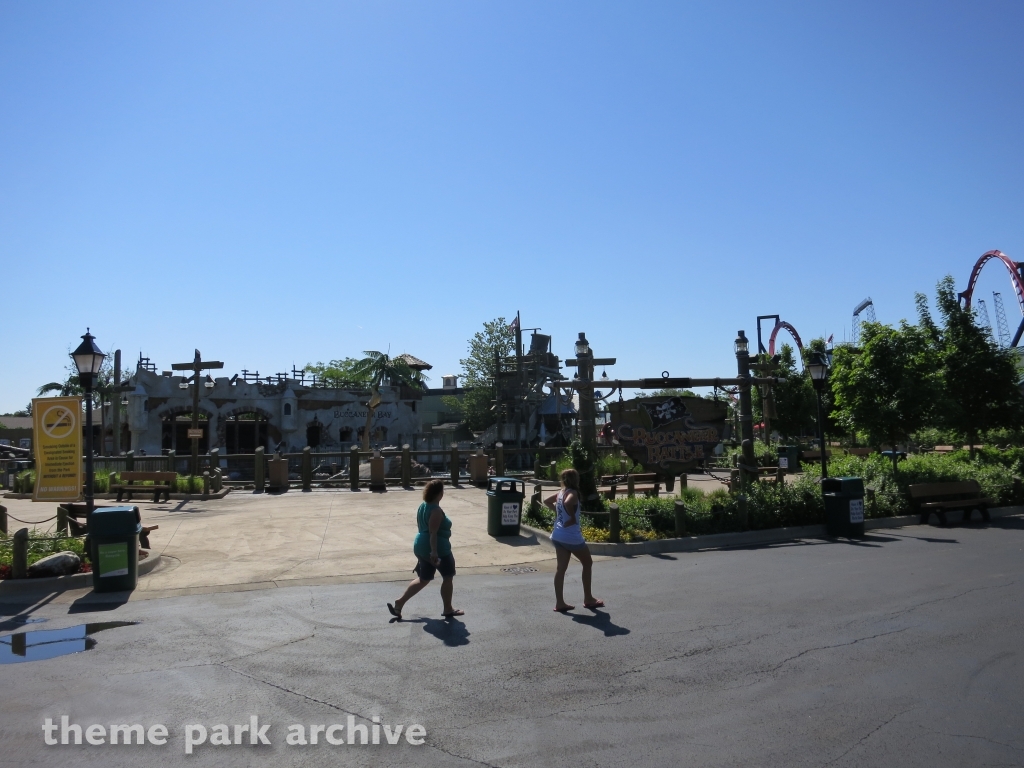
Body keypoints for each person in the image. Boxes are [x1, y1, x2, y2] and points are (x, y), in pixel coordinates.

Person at [388, 479, 463, 619]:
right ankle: (448, 608)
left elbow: (422, 528)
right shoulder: (435, 510)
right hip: (438, 549)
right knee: (448, 576)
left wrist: (421, 556)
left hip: (420, 546)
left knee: (424, 579)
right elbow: (433, 532)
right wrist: (433, 552)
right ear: (440, 493)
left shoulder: (423, 506)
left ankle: (399, 603)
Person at [544, 468, 604, 612]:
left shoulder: (560, 492)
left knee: (561, 569)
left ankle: (560, 603)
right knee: (587, 563)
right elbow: (567, 503)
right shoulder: (573, 493)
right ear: (576, 479)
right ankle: (588, 598)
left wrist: (559, 514)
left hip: (558, 535)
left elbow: (546, 501)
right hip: (571, 537)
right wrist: (570, 517)